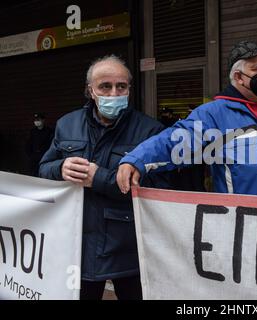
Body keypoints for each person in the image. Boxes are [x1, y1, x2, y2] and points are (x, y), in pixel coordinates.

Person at [39, 55, 169, 300]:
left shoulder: (150, 131)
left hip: (128, 248)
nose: (113, 93)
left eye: (121, 86)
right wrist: (60, 168)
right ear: (90, 91)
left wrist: (100, 178)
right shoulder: (67, 124)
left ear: (130, 89)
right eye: (105, 86)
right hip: (76, 243)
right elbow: (43, 167)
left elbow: (158, 189)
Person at [116, 40, 257, 199]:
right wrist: (137, 160)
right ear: (239, 77)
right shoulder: (214, 115)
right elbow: (175, 141)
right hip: (241, 227)